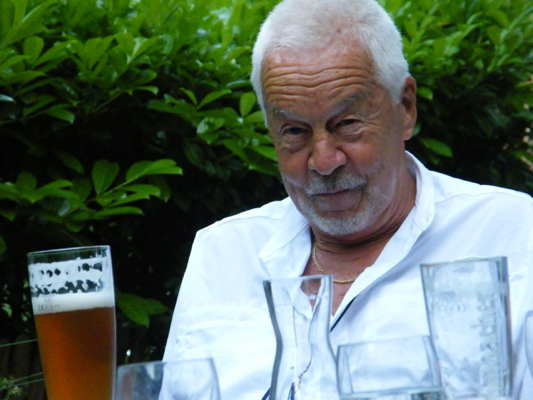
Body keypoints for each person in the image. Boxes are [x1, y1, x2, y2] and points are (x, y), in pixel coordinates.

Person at [163, 0, 533, 398]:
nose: (324, 162)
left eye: (348, 124)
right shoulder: (225, 254)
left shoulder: (511, 235)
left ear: (405, 108)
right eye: (294, 131)